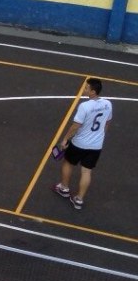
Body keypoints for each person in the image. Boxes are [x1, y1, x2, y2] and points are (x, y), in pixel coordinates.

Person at [53, 78, 113, 210]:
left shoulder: (85, 106)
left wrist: (65, 139)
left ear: (93, 91)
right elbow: (107, 123)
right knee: (87, 171)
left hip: (79, 143)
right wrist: (100, 137)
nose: (84, 89)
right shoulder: (108, 104)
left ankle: (64, 188)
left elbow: (76, 126)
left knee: (68, 163)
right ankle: (79, 199)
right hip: (96, 145)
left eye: (86, 88)